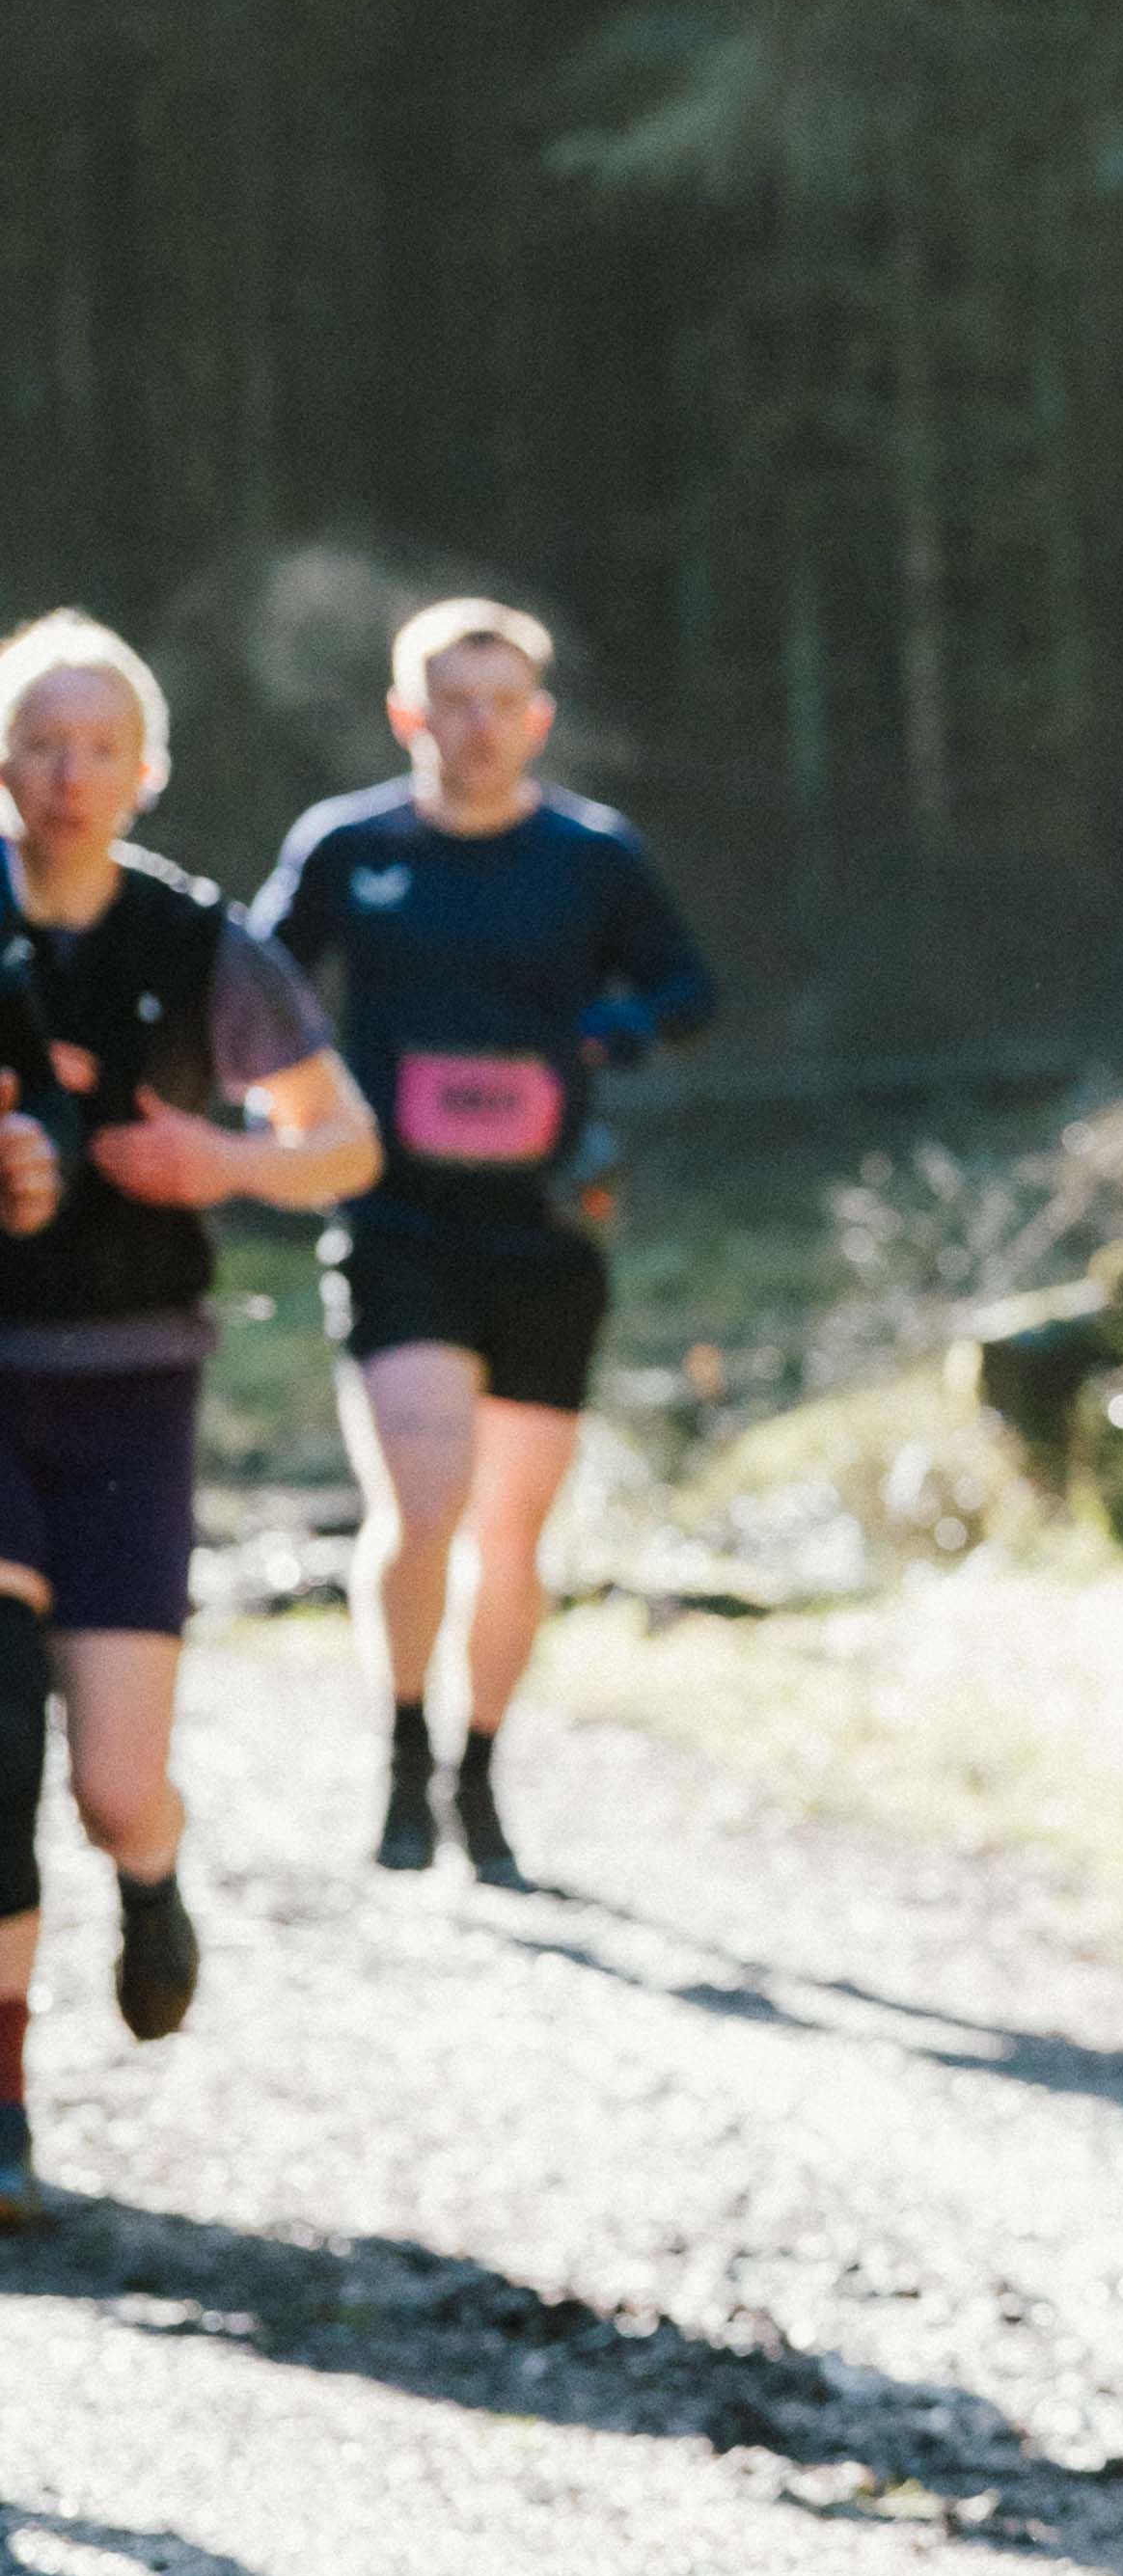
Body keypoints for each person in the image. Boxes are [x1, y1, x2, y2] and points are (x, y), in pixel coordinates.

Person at [0, 614, 379, 2225]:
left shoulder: (201, 947)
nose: (66, 774)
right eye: (35, 739)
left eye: (99, 747)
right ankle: (6, 2098)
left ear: (148, 772)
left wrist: (220, 1165)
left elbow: (343, 1146)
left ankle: (150, 1876)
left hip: (136, 1384)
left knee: (110, 1782)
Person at [253, 594, 714, 1887]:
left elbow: (689, 990)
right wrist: (286, 1107)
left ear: (536, 719)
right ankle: (402, 1750)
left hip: (544, 1227)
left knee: (512, 1535)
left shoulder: (593, 856)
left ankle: (481, 1772)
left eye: (499, 703)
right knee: (422, 1496)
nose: (474, 727)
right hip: (396, 1220)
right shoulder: (348, 850)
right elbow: (256, 985)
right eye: (449, 702)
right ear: (408, 715)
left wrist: (604, 1038)